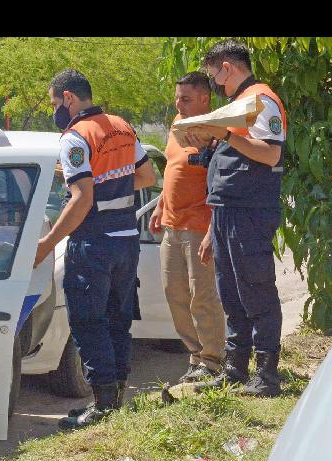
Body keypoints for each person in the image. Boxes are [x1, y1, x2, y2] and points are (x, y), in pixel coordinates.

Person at [34, 68, 156, 430]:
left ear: (68, 98)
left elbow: (82, 199)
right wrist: (104, 183)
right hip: (125, 242)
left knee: (88, 321)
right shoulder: (121, 125)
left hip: (93, 244)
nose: (55, 109)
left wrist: (46, 244)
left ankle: (102, 405)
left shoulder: (75, 136)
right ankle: (116, 395)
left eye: (56, 102)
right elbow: (147, 178)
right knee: (118, 320)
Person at [185, 40, 287, 397]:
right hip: (228, 212)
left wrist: (226, 133)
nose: (214, 81)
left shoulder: (261, 101)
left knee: (256, 289)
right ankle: (235, 369)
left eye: (214, 74)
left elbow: (271, 154)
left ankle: (267, 375)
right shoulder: (235, 106)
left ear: (227, 67)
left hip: (251, 212)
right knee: (231, 294)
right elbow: (230, 165)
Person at [149, 72, 226, 383]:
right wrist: (160, 204)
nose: (178, 103)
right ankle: (196, 357)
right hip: (171, 224)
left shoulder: (217, 132)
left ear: (205, 99)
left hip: (199, 225)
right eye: (177, 97)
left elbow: (222, 184)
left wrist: (212, 230)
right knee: (174, 293)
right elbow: (173, 168)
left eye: (186, 98)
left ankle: (213, 360)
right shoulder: (176, 125)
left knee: (203, 296)